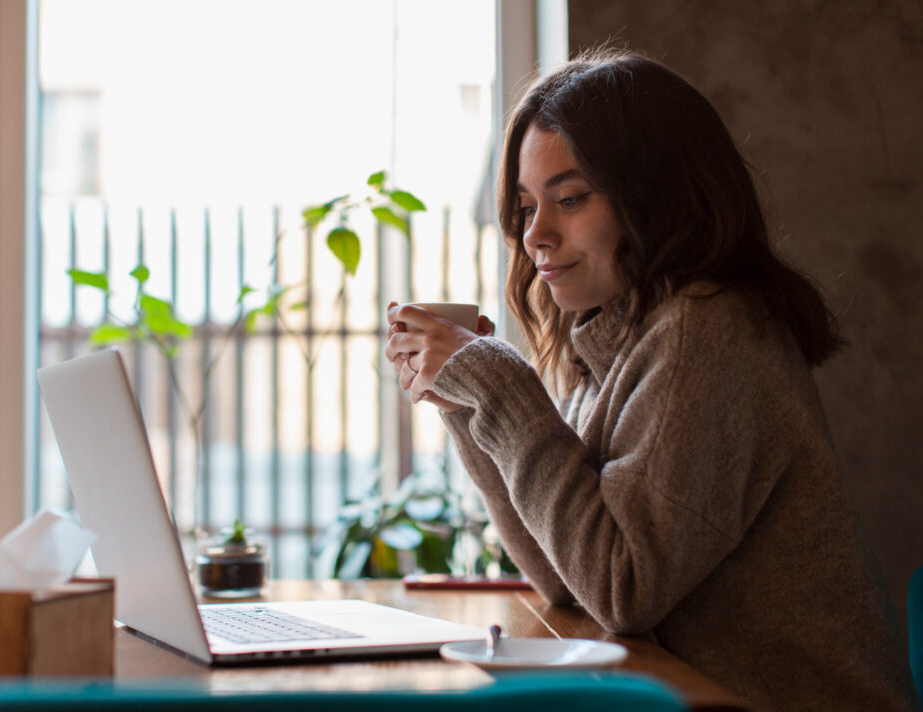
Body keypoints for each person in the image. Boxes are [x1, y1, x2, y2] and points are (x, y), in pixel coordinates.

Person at [384, 48, 918, 712]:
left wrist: (500, 387)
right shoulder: (618, 339)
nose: (535, 236)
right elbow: (567, 578)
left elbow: (620, 587)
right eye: (525, 208)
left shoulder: (711, 331)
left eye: (570, 198)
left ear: (658, 197)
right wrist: (465, 402)